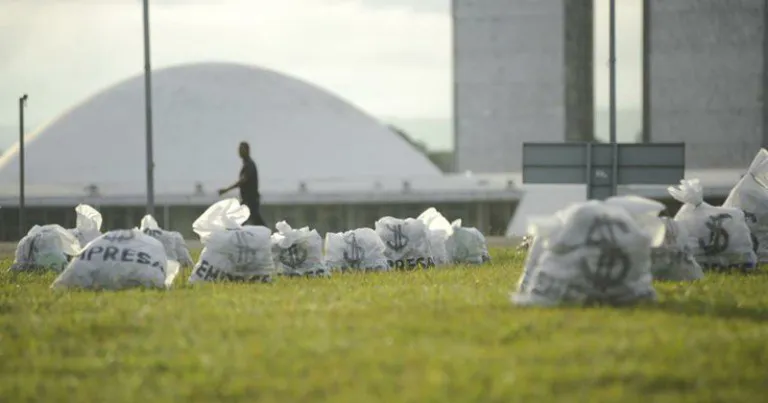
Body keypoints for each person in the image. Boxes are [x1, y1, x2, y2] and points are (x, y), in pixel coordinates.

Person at [218, 141, 267, 227]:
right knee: (253, 221)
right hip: (248, 199)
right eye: (239, 149)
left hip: (250, 200)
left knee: (241, 220)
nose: (239, 151)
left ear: (247, 150)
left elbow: (243, 180)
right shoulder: (246, 164)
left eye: (242, 149)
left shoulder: (249, 165)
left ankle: (270, 236)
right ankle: (268, 235)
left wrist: (226, 190)